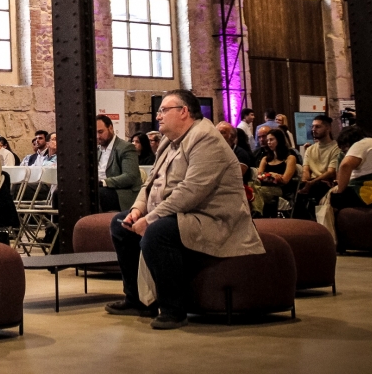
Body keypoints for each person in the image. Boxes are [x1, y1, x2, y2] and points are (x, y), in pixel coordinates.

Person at [107, 89, 263, 330]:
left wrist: (150, 218)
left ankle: (173, 310)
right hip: (178, 212)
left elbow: (192, 191)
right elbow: (150, 183)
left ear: (183, 112)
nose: (158, 116)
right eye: (159, 111)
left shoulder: (206, 138)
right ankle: (137, 300)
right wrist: (137, 210)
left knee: (157, 233)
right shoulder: (169, 141)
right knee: (121, 225)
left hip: (212, 218)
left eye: (163, 110)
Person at [293, 115, 340, 218]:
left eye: (318, 127)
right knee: (296, 187)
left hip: (326, 183)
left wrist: (311, 183)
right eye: (313, 126)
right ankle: (298, 223)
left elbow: (331, 172)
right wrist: (305, 182)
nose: (313, 129)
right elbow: (306, 169)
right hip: (313, 181)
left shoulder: (336, 148)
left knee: (317, 187)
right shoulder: (310, 149)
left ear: (328, 128)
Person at [96, 115, 141, 213]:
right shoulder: (98, 150)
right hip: (101, 189)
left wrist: (104, 182)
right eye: (95, 133)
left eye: (100, 132)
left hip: (122, 193)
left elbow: (130, 176)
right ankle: (56, 226)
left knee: (95, 195)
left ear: (111, 128)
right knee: (60, 193)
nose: (97, 136)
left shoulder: (126, 148)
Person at [253, 128, 298, 217]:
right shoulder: (265, 159)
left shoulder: (290, 158)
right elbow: (259, 176)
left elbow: (285, 180)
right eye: (268, 140)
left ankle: (257, 215)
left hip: (281, 190)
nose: (268, 142)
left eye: (271, 139)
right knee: (251, 189)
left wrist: (266, 176)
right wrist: (272, 175)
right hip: (264, 186)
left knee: (257, 192)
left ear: (279, 140)